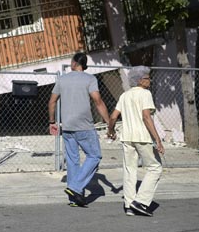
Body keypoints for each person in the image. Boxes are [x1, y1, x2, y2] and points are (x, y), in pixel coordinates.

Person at [49, 52, 110, 207]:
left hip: (68, 126)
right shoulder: (90, 79)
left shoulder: (62, 79)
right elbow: (97, 101)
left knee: (72, 160)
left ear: (75, 63)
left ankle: (74, 198)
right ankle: (75, 188)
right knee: (94, 155)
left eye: (71, 61)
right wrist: (109, 122)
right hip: (84, 126)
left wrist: (52, 122)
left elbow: (52, 102)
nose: (70, 63)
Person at [107, 66, 164, 217]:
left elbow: (113, 117)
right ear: (139, 80)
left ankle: (129, 205)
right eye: (147, 78)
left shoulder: (124, 96)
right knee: (155, 168)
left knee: (129, 170)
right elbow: (146, 116)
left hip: (127, 137)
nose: (149, 80)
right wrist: (157, 139)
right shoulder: (145, 94)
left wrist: (110, 131)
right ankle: (141, 202)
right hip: (142, 137)